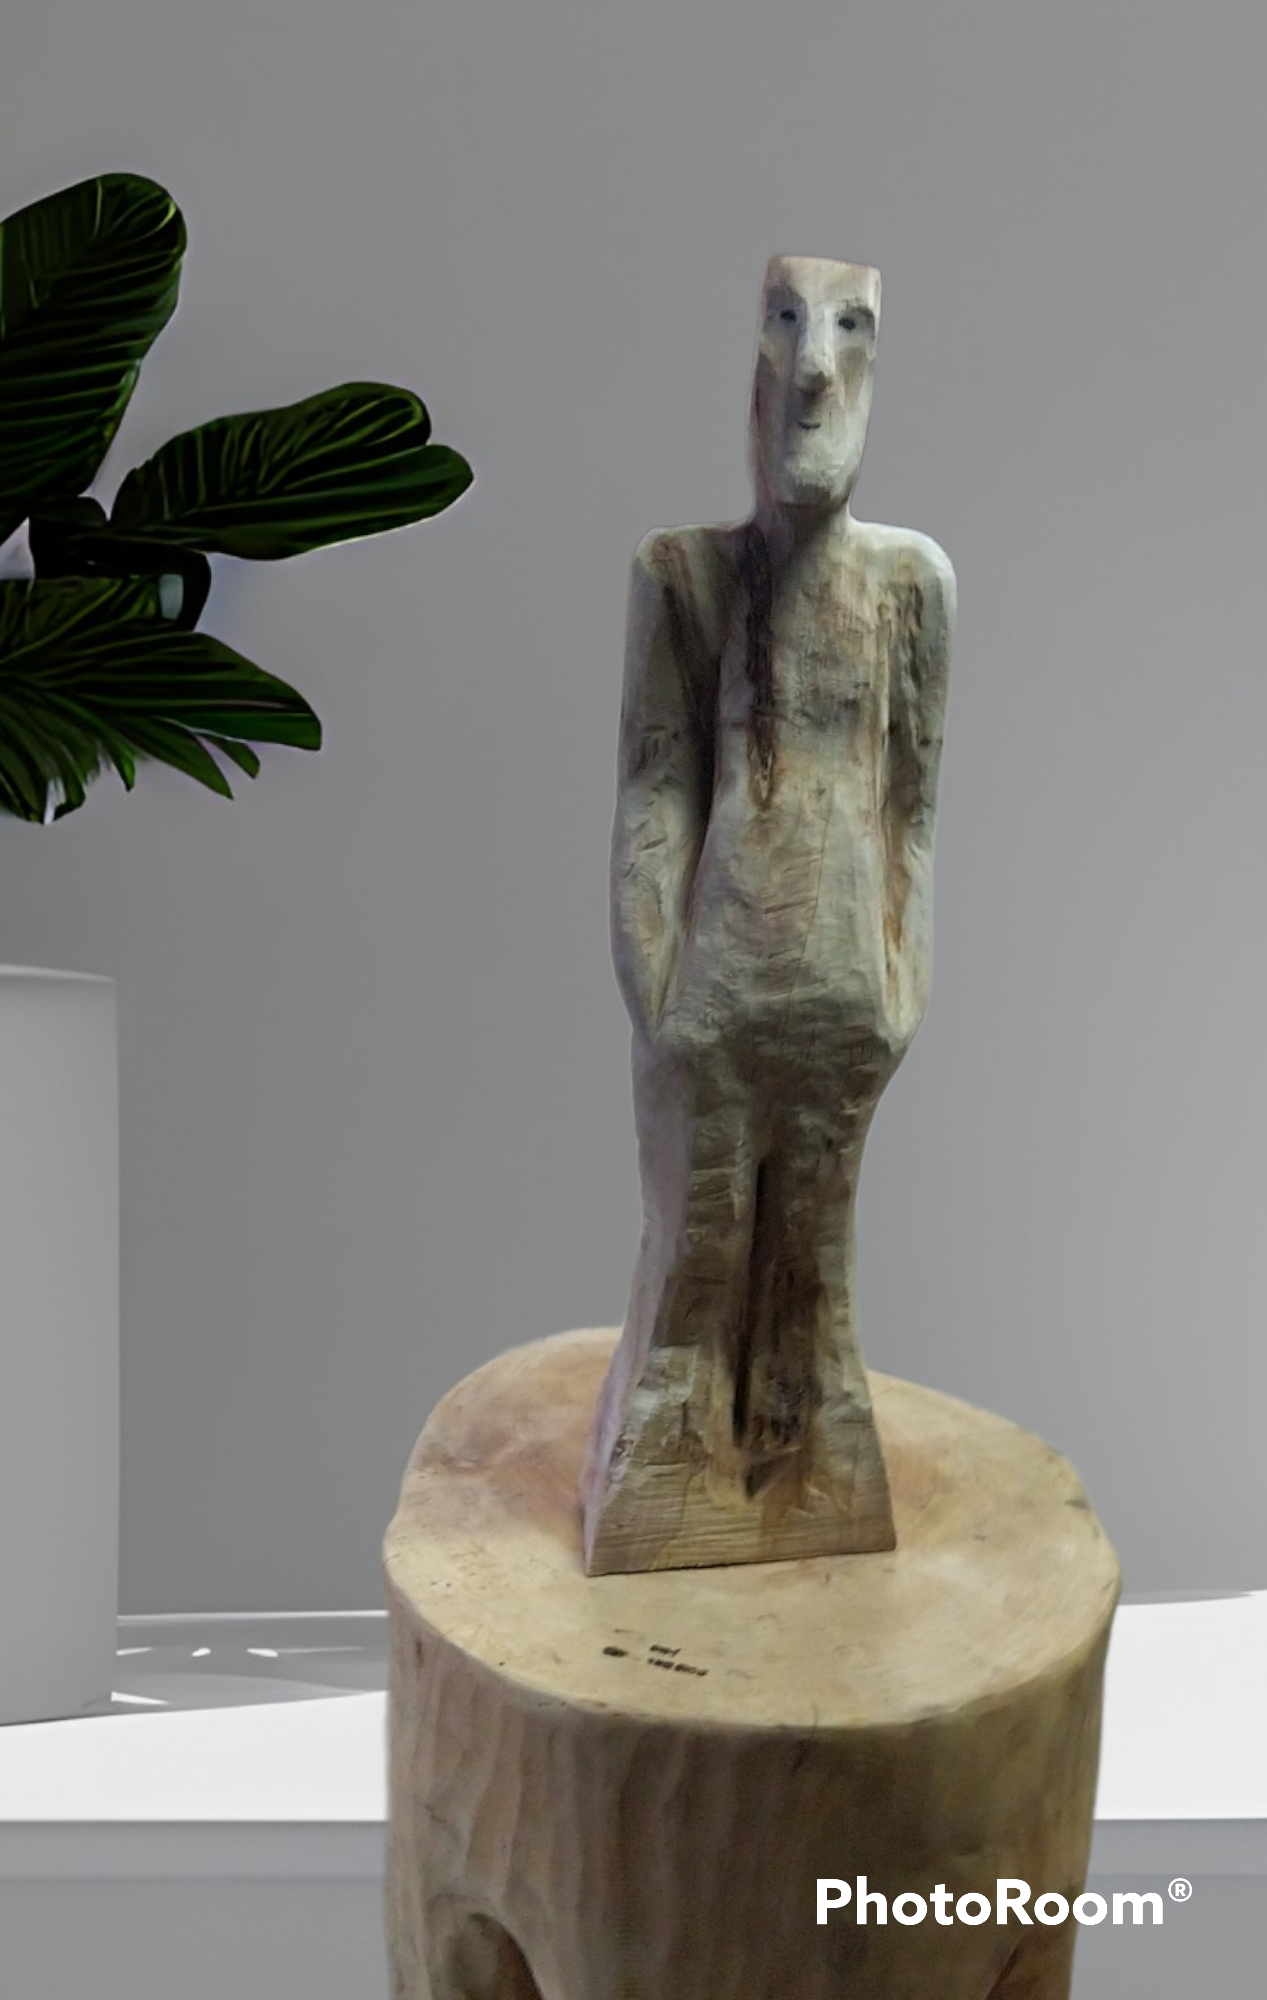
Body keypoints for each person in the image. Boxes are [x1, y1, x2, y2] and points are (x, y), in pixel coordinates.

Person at [583, 255, 955, 1575]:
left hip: (843, 996)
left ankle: (812, 1485)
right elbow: (655, 784)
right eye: (788, 324)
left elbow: (911, 804)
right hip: (716, 995)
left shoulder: (910, 586)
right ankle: (666, 1493)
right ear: (755, 363)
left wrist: (902, 982)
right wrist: (657, 987)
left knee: (816, 1268)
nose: (815, 366)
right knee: (698, 1259)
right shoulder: (687, 575)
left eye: (848, 328)